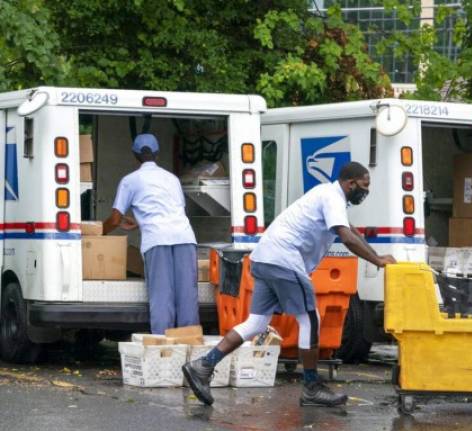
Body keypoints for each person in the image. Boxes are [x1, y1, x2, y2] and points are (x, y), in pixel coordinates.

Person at [182, 161, 396, 407]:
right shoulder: (331, 196)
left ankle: (203, 365)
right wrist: (377, 260)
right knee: (310, 319)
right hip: (284, 259)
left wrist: (378, 256)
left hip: (264, 257)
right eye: (364, 185)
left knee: (256, 322)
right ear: (350, 183)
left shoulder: (327, 195)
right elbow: (346, 237)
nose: (366, 191)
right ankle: (312, 387)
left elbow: (351, 231)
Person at [103, 133, 199, 334]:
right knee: (187, 296)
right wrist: (140, 221)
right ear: (157, 153)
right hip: (184, 236)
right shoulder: (172, 179)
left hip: (157, 239)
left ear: (135, 155)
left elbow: (114, 219)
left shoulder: (131, 180)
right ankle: (188, 344)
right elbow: (172, 210)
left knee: (162, 296)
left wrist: (95, 234)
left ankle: (164, 348)